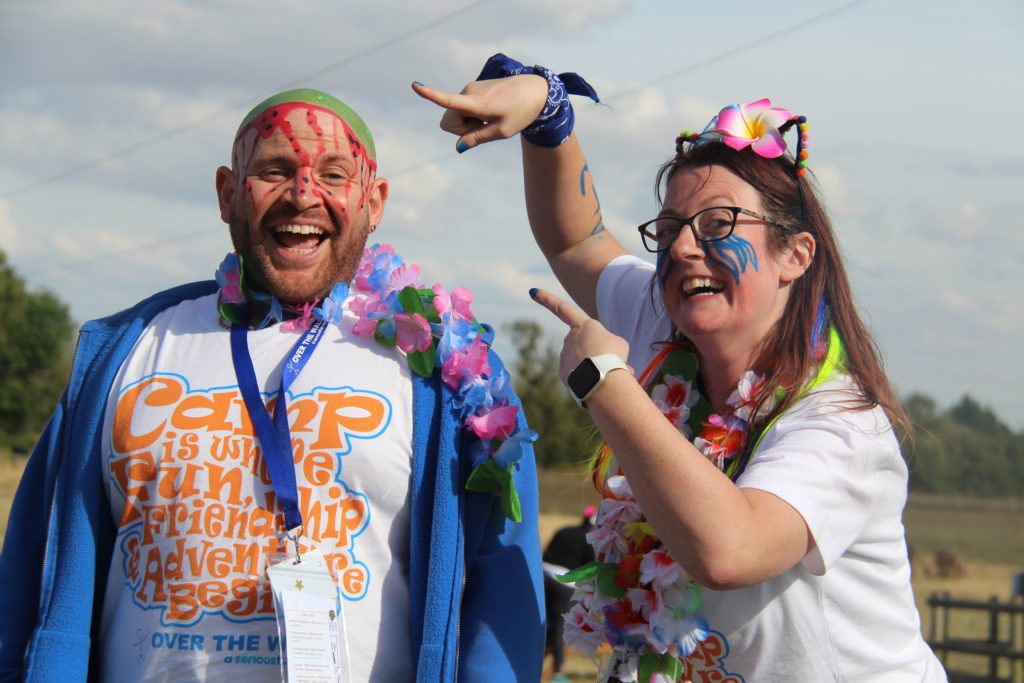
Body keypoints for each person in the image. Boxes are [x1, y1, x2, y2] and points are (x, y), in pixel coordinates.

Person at [414, 55, 946, 681]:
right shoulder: (666, 321)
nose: (685, 246)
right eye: (668, 229)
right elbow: (577, 240)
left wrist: (605, 384)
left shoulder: (840, 421)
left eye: (718, 224)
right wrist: (549, 112)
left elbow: (729, 550)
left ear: (796, 254)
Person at [0, 87, 544, 682]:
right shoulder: (124, 351)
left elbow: (503, 593)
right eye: (274, 171)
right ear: (228, 193)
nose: (303, 195)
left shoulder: (447, 370)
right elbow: (30, 570)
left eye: (333, 174)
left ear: (374, 200)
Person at [542, 506, 597, 682]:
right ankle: (558, 672)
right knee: (561, 625)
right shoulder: (590, 540)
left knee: (545, 621)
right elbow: (591, 569)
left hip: (542, 575)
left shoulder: (564, 530)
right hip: (563, 584)